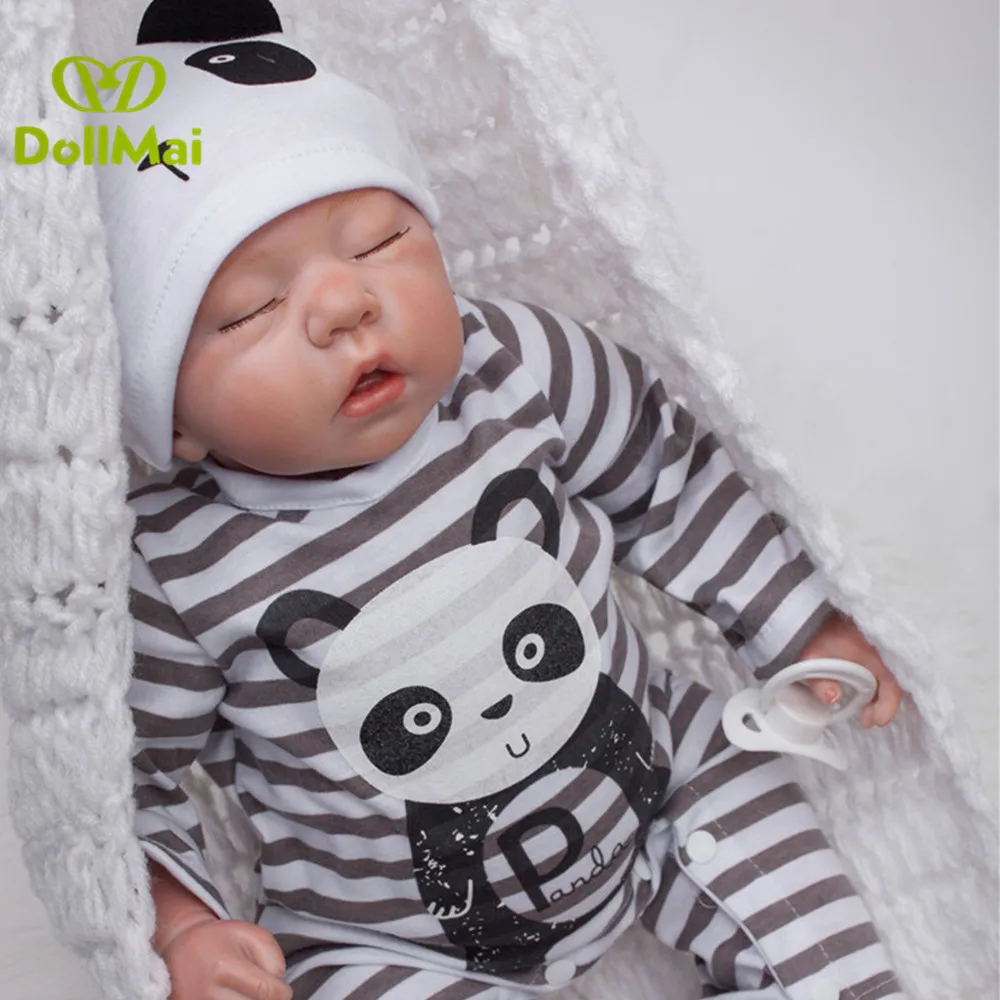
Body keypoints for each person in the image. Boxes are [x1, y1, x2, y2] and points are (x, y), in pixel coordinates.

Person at [99, 2, 905, 998]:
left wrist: (799, 620)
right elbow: (119, 778)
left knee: (743, 802)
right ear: (171, 418)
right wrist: (179, 924)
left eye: (379, 241)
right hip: (393, 939)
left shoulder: (512, 364)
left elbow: (667, 475)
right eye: (251, 308)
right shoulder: (175, 568)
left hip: (653, 780)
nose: (345, 304)